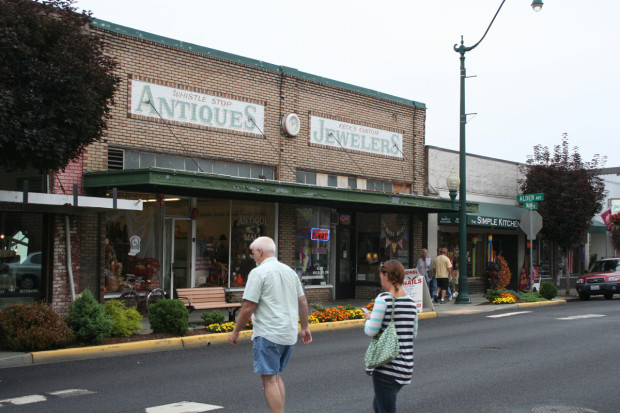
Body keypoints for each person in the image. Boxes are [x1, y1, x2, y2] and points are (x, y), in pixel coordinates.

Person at [228, 236, 312, 413]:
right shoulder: (290, 271)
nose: (253, 258)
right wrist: (304, 327)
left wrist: (235, 331)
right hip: (288, 334)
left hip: (268, 333)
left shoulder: (258, 273)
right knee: (275, 376)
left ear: (260, 252)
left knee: (269, 380)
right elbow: (303, 301)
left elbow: (248, 306)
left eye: (253, 254)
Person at [364, 259, 418, 413]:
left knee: (386, 409)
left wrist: (368, 319)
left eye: (381, 275)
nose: (380, 278)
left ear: (386, 275)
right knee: (379, 405)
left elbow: (371, 331)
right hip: (405, 365)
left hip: (387, 366)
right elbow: (413, 334)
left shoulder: (384, 300)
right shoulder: (412, 303)